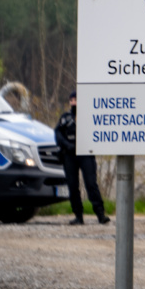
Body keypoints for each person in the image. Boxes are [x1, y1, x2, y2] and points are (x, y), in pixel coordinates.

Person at [55, 91, 110, 225]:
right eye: (71, 99)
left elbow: (97, 132)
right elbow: (57, 133)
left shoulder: (88, 116)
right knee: (73, 186)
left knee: (91, 184)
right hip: (70, 154)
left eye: (76, 99)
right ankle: (78, 216)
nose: (73, 102)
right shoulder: (65, 118)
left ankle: (100, 214)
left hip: (86, 153)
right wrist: (67, 145)